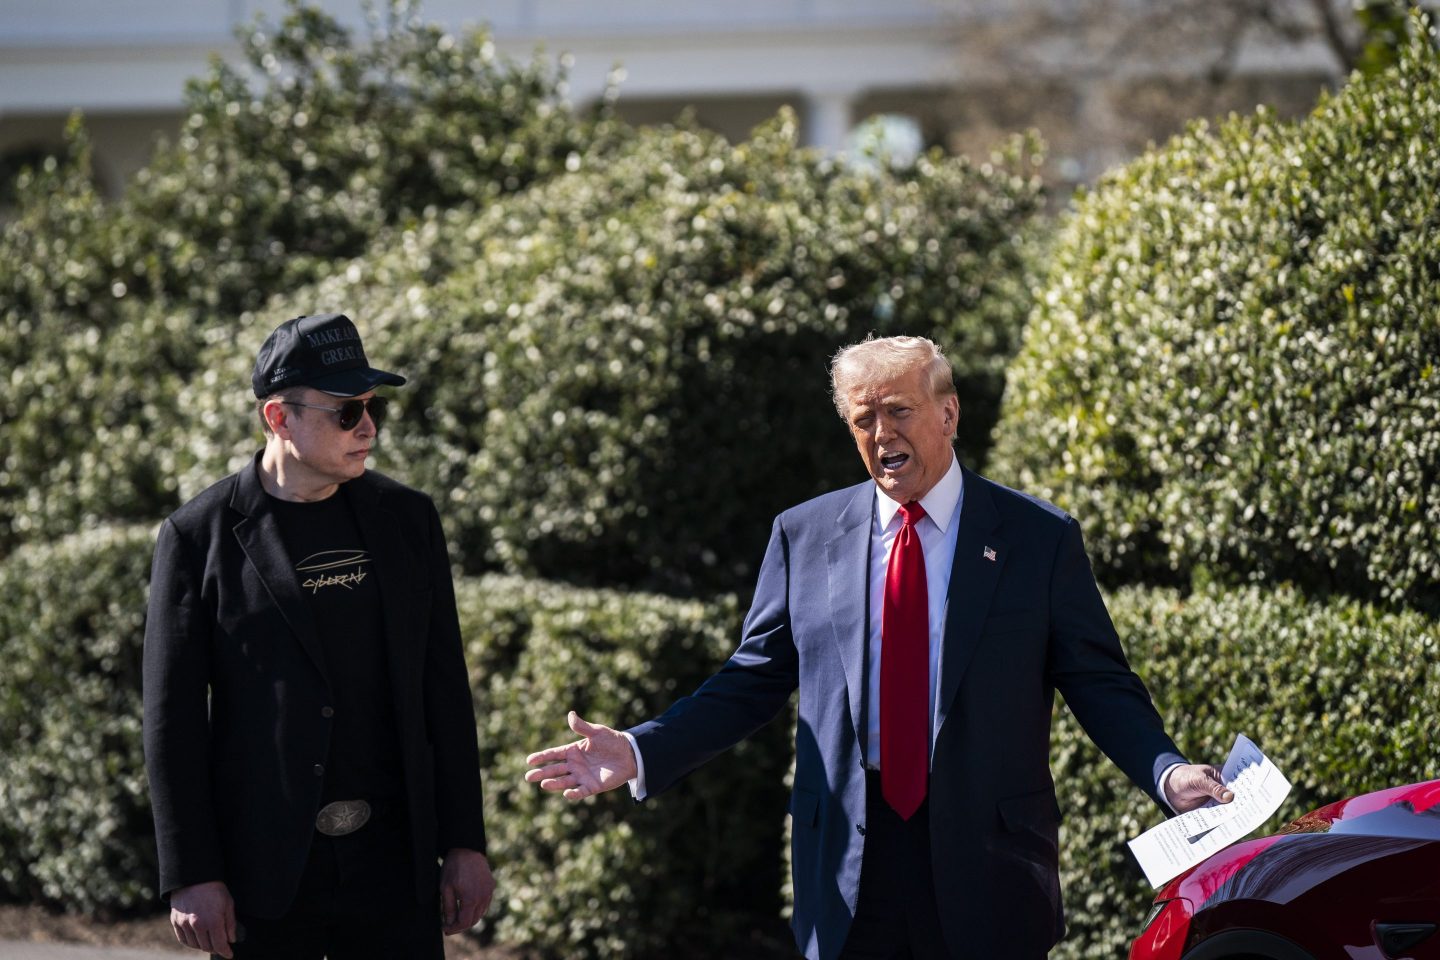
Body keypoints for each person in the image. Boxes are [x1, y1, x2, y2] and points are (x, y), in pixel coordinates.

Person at [524, 335, 1232, 960]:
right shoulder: (803, 535)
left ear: (948, 414)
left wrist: (1167, 773)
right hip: (847, 870)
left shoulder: (1036, 538)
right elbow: (750, 680)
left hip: (989, 866)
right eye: (863, 419)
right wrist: (642, 748)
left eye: (898, 411)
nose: (880, 431)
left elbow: (1097, 680)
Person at [143, 313, 494, 959]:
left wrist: (466, 842)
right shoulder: (197, 537)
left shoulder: (409, 520)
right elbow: (173, 722)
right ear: (279, 417)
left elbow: (444, 690)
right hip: (266, 877)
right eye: (346, 411)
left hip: (397, 870)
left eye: (372, 406)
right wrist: (192, 872)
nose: (369, 427)